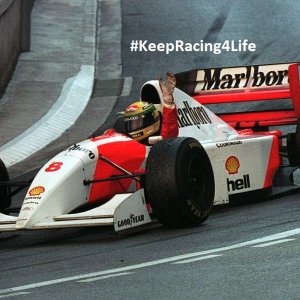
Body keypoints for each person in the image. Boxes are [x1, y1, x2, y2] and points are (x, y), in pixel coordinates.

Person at [123, 72, 179, 144]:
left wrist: (168, 103)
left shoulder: (164, 136)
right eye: (131, 124)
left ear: (149, 121)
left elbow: (169, 134)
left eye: (137, 123)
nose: (133, 127)